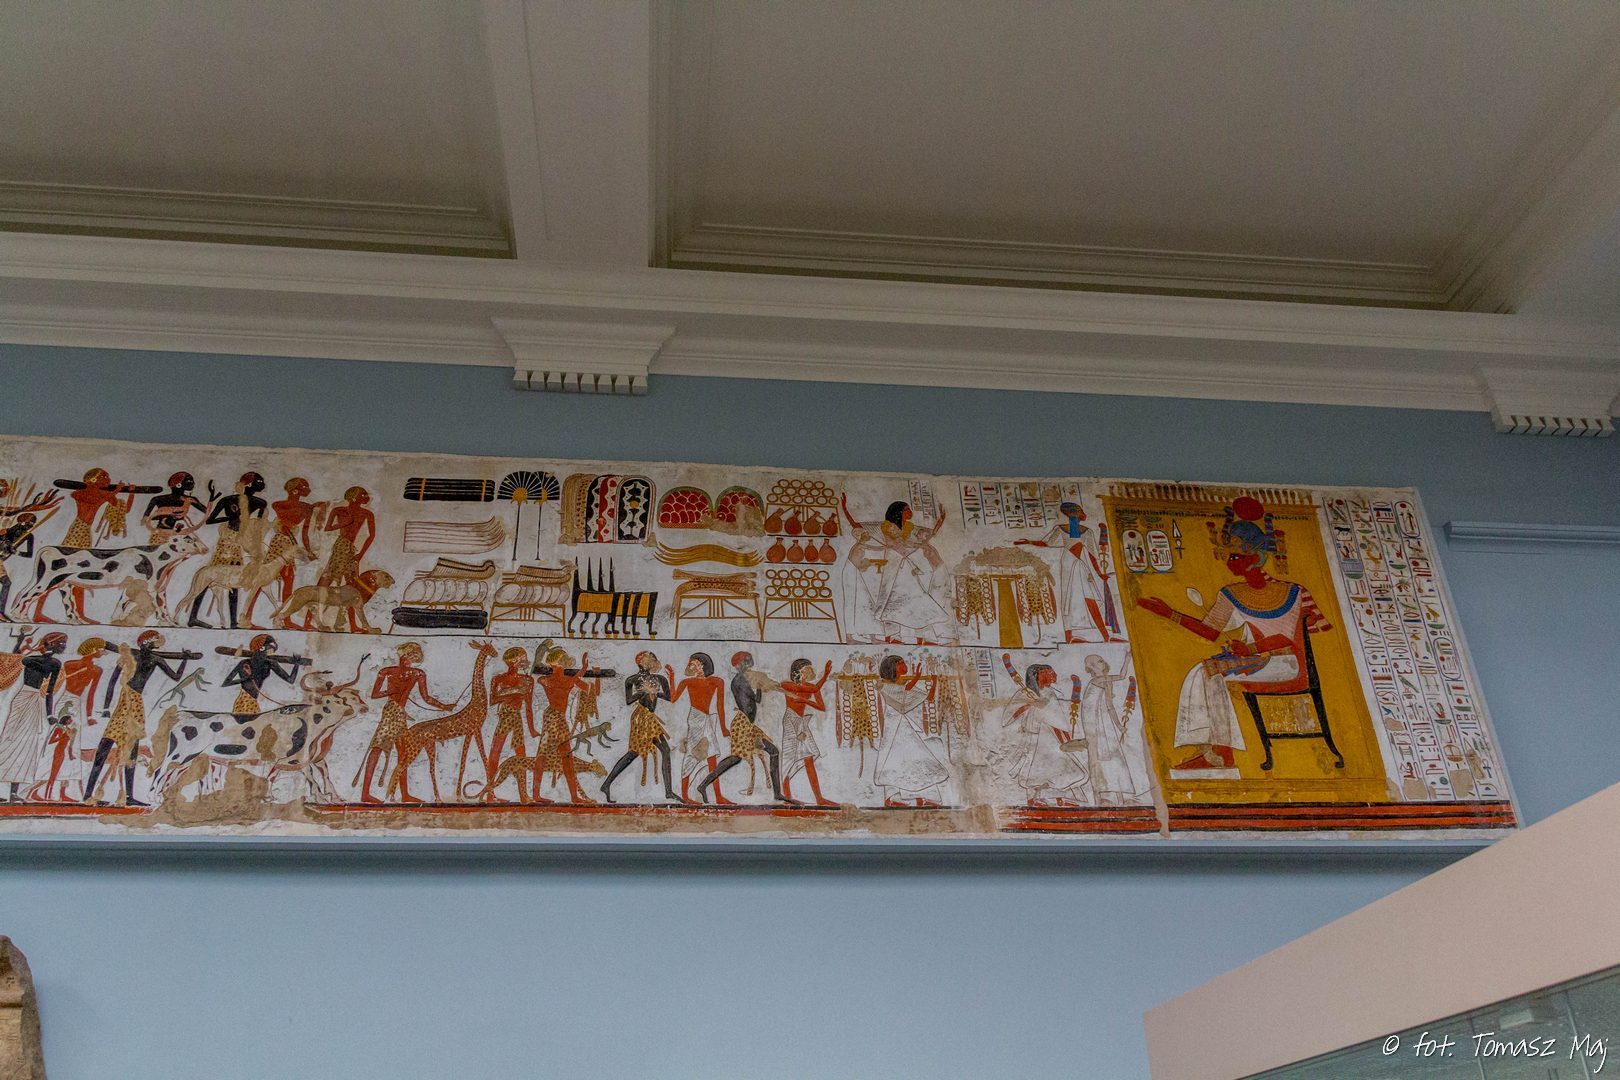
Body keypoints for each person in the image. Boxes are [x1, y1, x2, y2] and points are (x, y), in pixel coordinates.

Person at [1135, 497, 1333, 772]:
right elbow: (1210, 631)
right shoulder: (1231, 593)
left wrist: (1248, 650)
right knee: (1202, 671)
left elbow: (1287, 639)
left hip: (1288, 664)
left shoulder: (1292, 591)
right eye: (1229, 555)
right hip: (1258, 661)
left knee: (1212, 676)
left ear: (1255, 557)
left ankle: (1222, 754)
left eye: (1236, 556)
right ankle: (1213, 751)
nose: (1230, 562)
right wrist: (1170, 613)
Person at [83, 630, 195, 806]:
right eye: (156, 639)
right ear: (148, 641)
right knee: (105, 746)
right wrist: (105, 707)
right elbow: (113, 681)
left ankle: (128, 796)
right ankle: (88, 795)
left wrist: (185, 659)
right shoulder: (131, 655)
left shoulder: (155, 659)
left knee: (132, 749)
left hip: (134, 704)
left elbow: (176, 677)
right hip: (125, 702)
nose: (159, 642)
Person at [840, 496, 954, 645]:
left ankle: (913, 637)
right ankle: (892, 636)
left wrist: (942, 518)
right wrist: (844, 508)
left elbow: (931, 533)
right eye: (906, 509)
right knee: (890, 601)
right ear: (898, 512)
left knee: (914, 597)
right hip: (892, 563)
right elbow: (856, 525)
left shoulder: (909, 527)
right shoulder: (885, 526)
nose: (910, 512)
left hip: (905, 564)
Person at [357, 642, 452, 804]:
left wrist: (444, 706)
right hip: (391, 711)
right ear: (402, 654)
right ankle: (365, 794)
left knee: (403, 753)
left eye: (414, 656)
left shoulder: (418, 674)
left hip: (400, 714)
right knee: (378, 748)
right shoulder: (386, 671)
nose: (410, 659)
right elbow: (374, 694)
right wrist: (390, 691)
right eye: (409, 655)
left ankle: (405, 794)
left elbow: (426, 698)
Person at [1013, 501, 1118, 642]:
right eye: (1077, 512)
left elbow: (1093, 555)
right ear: (1071, 514)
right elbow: (1046, 543)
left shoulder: (1087, 532)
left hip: (1081, 564)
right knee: (1067, 599)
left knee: (1090, 598)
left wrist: (1099, 574)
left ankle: (1106, 636)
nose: (1081, 514)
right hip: (1068, 562)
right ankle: (1069, 637)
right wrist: (1029, 542)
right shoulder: (1061, 529)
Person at [696, 652, 791, 805]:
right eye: (745, 663)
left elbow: (757, 699)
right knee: (739, 757)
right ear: (739, 665)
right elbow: (752, 698)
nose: (748, 666)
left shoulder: (745, 679)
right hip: (742, 724)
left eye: (748, 662)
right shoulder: (739, 680)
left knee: (764, 753)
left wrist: (760, 686)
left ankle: (778, 794)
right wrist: (761, 684)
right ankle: (703, 785)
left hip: (747, 724)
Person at [998, 654, 1089, 807]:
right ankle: (1034, 799)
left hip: (1051, 737)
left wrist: (1067, 737)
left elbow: (1058, 717)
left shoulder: (1050, 693)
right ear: (1038, 676)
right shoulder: (1024, 693)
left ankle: (1060, 798)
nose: (1053, 676)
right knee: (1033, 771)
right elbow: (1008, 716)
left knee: (1068, 769)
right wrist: (1030, 704)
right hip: (1033, 737)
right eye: (1048, 673)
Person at [29, 637, 106, 802]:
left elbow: (91, 694)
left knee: (72, 749)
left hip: (76, 705)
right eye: (101, 649)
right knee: (54, 747)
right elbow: (57, 684)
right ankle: (35, 790)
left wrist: (89, 716)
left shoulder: (97, 670)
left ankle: (63, 792)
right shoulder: (69, 664)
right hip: (64, 702)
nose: (103, 652)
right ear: (93, 649)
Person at [600, 651, 682, 804]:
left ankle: (669, 792)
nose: (654, 661)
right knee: (634, 753)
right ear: (643, 662)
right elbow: (629, 700)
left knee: (662, 751)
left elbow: (669, 697)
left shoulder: (660, 678)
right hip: (640, 718)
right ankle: (606, 784)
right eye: (651, 659)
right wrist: (643, 691)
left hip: (650, 718)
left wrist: (670, 678)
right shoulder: (632, 680)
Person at [189, 472, 268, 628]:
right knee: (209, 577)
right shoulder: (227, 500)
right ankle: (193, 617)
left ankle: (233, 622)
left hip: (240, 542)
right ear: (248, 484)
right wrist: (232, 518)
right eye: (258, 483)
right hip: (226, 541)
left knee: (236, 580)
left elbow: (257, 525)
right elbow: (210, 520)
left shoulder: (260, 503)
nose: (260, 486)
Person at [873, 654, 950, 807]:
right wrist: (916, 679)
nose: (904, 666)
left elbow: (926, 697)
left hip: (904, 728)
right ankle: (892, 799)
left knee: (917, 759)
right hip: (894, 729)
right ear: (893, 668)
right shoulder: (885, 686)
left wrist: (933, 681)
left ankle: (922, 798)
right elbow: (903, 697)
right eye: (901, 664)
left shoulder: (901, 686)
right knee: (894, 762)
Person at [1072, 657, 1150, 805]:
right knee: (1097, 759)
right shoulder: (1099, 680)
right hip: (1094, 726)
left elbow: (1109, 706)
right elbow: (1121, 676)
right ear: (1092, 666)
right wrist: (1126, 659)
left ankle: (1120, 798)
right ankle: (1099, 798)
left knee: (1114, 757)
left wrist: (1119, 725)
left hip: (1103, 723)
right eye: (1099, 661)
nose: (1103, 662)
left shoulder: (1105, 681)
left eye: (1101, 660)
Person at [0, 632, 67, 802]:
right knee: (8, 740)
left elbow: (50, 691)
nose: (64, 647)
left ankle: (13, 793)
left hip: (35, 701)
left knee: (26, 745)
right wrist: (26, 646)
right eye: (61, 643)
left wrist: (50, 714)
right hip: (22, 698)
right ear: (51, 643)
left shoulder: (55, 663)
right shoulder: (34, 659)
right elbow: (21, 659)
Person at [666, 651, 731, 804]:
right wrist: (671, 678)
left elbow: (720, 706)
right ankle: (685, 796)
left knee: (712, 757)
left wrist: (723, 728)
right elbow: (673, 698)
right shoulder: (687, 682)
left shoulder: (717, 681)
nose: (691, 667)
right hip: (695, 719)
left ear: (702, 665)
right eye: (690, 664)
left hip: (707, 720)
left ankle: (718, 796)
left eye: (693, 664)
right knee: (691, 755)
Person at [779, 657, 837, 806]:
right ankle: (787, 799)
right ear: (799, 672)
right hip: (790, 721)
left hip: (801, 722)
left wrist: (805, 701)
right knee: (788, 760)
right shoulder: (787, 684)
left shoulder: (812, 687)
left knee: (809, 758)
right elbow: (814, 689)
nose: (812, 671)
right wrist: (825, 675)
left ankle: (819, 799)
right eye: (808, 669)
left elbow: (821, 706)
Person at [484, 646, 538, 800]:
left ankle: (523, 795)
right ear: (514, 661)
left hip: (516, 718)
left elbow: (528, 706)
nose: (526, 661)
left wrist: (532, 729)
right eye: (523, 658)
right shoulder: (498, 679)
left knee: (521, 756)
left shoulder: (527, 680)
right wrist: (516, 690)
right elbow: (493, 700)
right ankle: (490, 794)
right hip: (505, 717)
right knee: (495, 753)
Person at [318, 486, 375, 589]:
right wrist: (343, 524)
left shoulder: (367, 513)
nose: (367, 497)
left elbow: (371, 536)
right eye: (363, 494)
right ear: (353, 497)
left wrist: (360, 555)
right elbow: (327, 528)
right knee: (332, 573)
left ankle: (341, 597)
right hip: (342, 545)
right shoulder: (338, 510)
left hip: (350, 548)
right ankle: (318, 594)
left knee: (351, 578)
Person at [141, 472, 206, 542]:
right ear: (178, 485)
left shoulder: (157, 498)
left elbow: (206, 511)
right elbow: (145, 518)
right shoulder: (158, 499)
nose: (193, 483)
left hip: (178, 530)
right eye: (190, 481)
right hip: (164, 530)